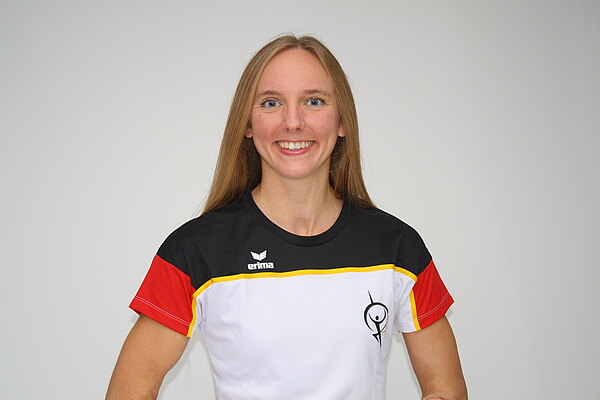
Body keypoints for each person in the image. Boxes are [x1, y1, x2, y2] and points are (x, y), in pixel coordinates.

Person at [106, 35, 467, 400]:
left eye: (314, 101)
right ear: (247, 124)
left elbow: (445, 389)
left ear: (342, 121)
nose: (293, 122)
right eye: (271, 102)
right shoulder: (193, 251)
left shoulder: (398, 247)